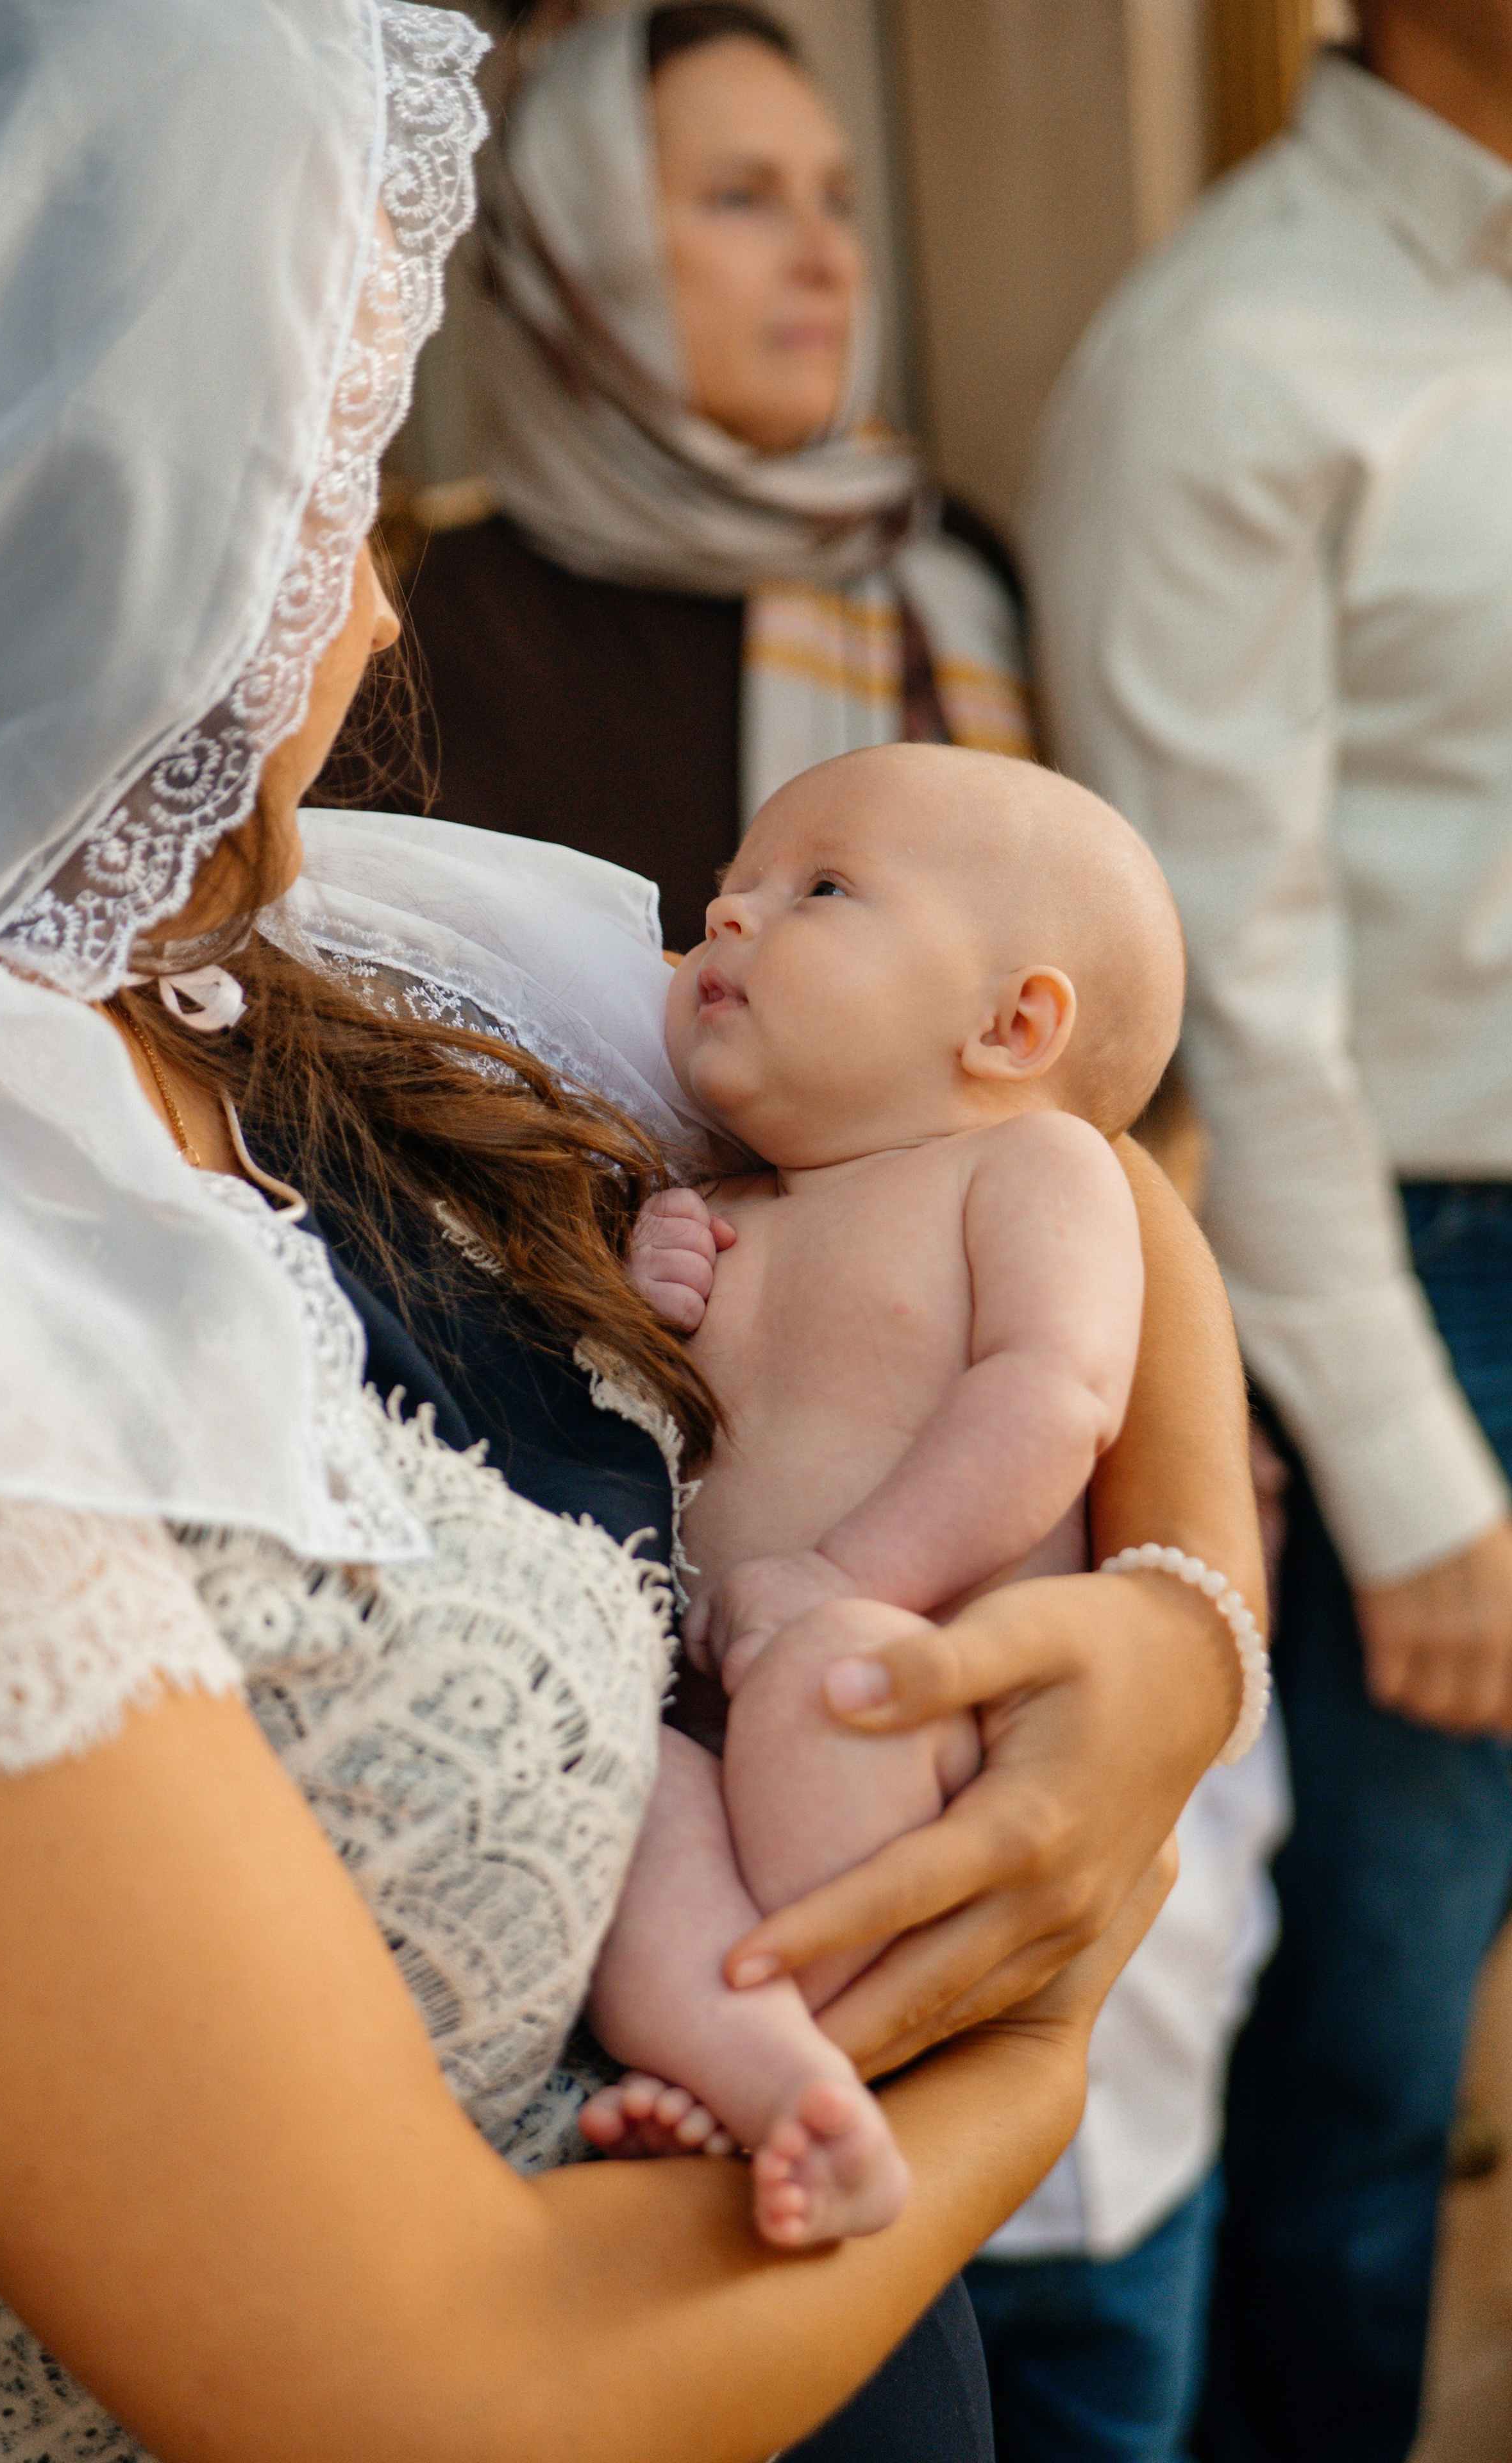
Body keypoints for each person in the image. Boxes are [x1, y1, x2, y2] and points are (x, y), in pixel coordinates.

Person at [0, 6, 1257, 2462]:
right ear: (77, 454)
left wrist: (1183, 1633)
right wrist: (1040, 2049)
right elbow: (438, 2385)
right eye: (325, 491)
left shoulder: (357, 937)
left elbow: (1047, 1169)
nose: (382, 615)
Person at [1024, 6, 1512, 2457]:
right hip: (1410, 1292)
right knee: (1359, 2071)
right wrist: (1422, 1485)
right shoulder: (1224, 353)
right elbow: (1236, 993)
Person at [578, 746, 1248, 2258]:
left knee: (834, 1681)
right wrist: (642, 1292)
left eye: (813, 890)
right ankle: (760, 2067)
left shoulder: (1035, 1169)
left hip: (913, 1696)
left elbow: (1050, 1399)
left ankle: (827, 2046)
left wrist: (844, 1572)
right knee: (620, 1788)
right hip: (704, 1706)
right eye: (725, 893)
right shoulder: (718, 1205)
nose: (728, 920)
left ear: (1011, 1025)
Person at [339, 0, 1033, 955]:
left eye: (837, 199)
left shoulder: (948, 560)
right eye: (740, 198)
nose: (824, 259)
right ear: (572, 248)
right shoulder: (418, 635)